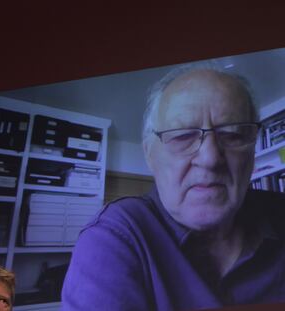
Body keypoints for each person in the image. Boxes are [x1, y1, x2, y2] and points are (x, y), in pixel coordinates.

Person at [61, 62, 285, 311]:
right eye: (182, 136)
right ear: (149, 154)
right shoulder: (114, 236)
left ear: (253, 149)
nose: (210, 158)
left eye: (233, 134)